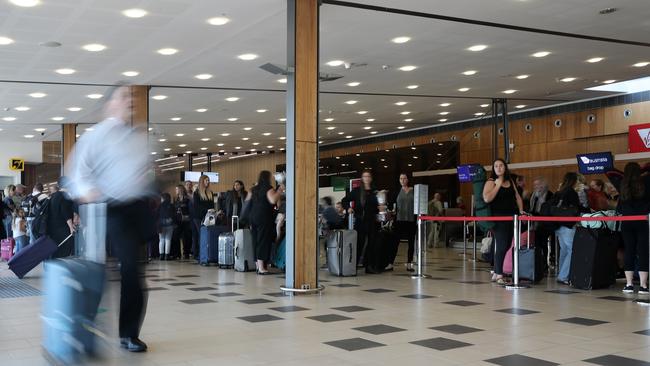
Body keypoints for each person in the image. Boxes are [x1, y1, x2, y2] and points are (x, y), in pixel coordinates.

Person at [67, 84, 154, 353]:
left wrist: (148, 181)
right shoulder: (98, 136)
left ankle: (128, 332)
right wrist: (87, 190)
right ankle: (120, 333)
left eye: (132, 97)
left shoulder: (138, 137)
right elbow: (77, 171)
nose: (130, 101)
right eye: (124, 96)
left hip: (138, 208)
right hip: (113, 208)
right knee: (126, 266)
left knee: (135, 272)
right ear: (110, 104)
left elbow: (143, 171)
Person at [483, 159, 524, 285]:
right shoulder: (491, 182)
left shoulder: (510, 181)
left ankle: (496, 272)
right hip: (498, 218)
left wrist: (521, 211)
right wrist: (498, 184)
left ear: (505, 168)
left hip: (511, 217)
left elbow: (517, 196)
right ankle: (499, 273)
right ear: (493, 169)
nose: (499, 168)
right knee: (501, 245)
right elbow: (487, 198)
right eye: (496, 166)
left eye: (501, 165)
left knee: (506, 245)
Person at [618, 163, 650, 295]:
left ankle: (629, 284)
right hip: (642, 221)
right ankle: (643, 286)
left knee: (629, 251)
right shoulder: (646, 182)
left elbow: (620, 206)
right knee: (643, 251)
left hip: (627, 221)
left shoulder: (623, 185)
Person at [342, 171, 382, 273]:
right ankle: (353, 266)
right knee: (359, 243)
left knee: (372, 244)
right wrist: (348, 208)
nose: (367, 178)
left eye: (368, 176)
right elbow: (345, 200)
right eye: (364, 176)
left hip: (373, 221)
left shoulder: (375, 191)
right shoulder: (357, 191)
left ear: (371, 178)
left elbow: (378, 206)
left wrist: (380, 207)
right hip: (361, 221)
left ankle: (368, 266)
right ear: (362, 178)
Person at [249, 171, 282, 274]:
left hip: (253, 217)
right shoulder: (268, 188)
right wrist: (279, 190)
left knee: (255, 241)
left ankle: (258, 266)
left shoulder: (253, 189)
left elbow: (248, 202)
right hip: (264, 217)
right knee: (263, 241)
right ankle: (262, 268)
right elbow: (273, 200)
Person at [553, 172, 583, 285]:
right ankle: (563, 275)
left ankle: (561, 273)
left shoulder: (559, 192)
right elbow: (576, 208)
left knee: (564, 250)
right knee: (572, 250)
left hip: (557, 225)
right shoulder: (572, 192)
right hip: (568, 225)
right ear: (574, 181)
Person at [391, 173, 416, 271]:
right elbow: (391, 204)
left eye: (404, 178)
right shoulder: (397, 191)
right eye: (400, 178)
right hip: (399, 220)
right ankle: (390, 262)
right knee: (395, 242)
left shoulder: (414, 191)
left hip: (411, 220)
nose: (402, 180)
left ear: (408, 180)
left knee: (411, 242)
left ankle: (409, 263)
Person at [529, 177, 555, 270]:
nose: (536, 187)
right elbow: (532, 208)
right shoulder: (533, 195)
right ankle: (539, 262)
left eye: (538, 184)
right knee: (537, 244)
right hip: (535, 223)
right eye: (535, 185)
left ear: (543, 185)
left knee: (544, 244)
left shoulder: (549, 194)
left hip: (546, 224)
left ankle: (545, 262)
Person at [47, 181, 76, 258]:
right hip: (63, 228)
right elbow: (66, 213)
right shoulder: (64, 196)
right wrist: (71, 227)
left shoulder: (53, 196)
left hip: (53, 228)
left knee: (56, 249)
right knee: (64, 250)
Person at [172, 184, 192, 260]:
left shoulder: (187, 199)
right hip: (178, 220)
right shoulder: (175, 199)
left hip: (186, 220)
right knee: (175, 236)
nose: (176, 191)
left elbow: (190, 209)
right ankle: (177, 254)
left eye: (177, 189)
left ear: (181, 190)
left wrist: (188, 216)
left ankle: (186, 253)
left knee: (186, 238)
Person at [192, 175, 215, 242]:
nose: (208, 182)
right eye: (206, 180)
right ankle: (201, 251)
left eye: (208, 180)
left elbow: (212, 205)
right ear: (202, 181)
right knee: (202, 235)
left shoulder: (210, 193)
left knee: (208, 234)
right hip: (199, 217)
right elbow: (197, 206)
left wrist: (213, 211)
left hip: (208, 216)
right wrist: (207, 210)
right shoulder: (196, 193)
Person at [158, 193, 175, 261]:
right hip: (170, 224)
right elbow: (174, 215)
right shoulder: (171, 205)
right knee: (168, 240)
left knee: (161, 240)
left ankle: (161, 255)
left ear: (162, 198)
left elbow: (157, 214)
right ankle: (167, 255)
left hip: (161, 224)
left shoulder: (160, 205)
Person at [184, 180, 198, 258]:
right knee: (186, 236)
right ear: (185, 186)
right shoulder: (183, 195)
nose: (189, 186)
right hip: (185, 218)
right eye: (187, 184)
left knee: (193, 235)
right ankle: (187, 251)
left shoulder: (194, 195)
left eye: (190, 185)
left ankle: (193, 251)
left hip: (193, 217)